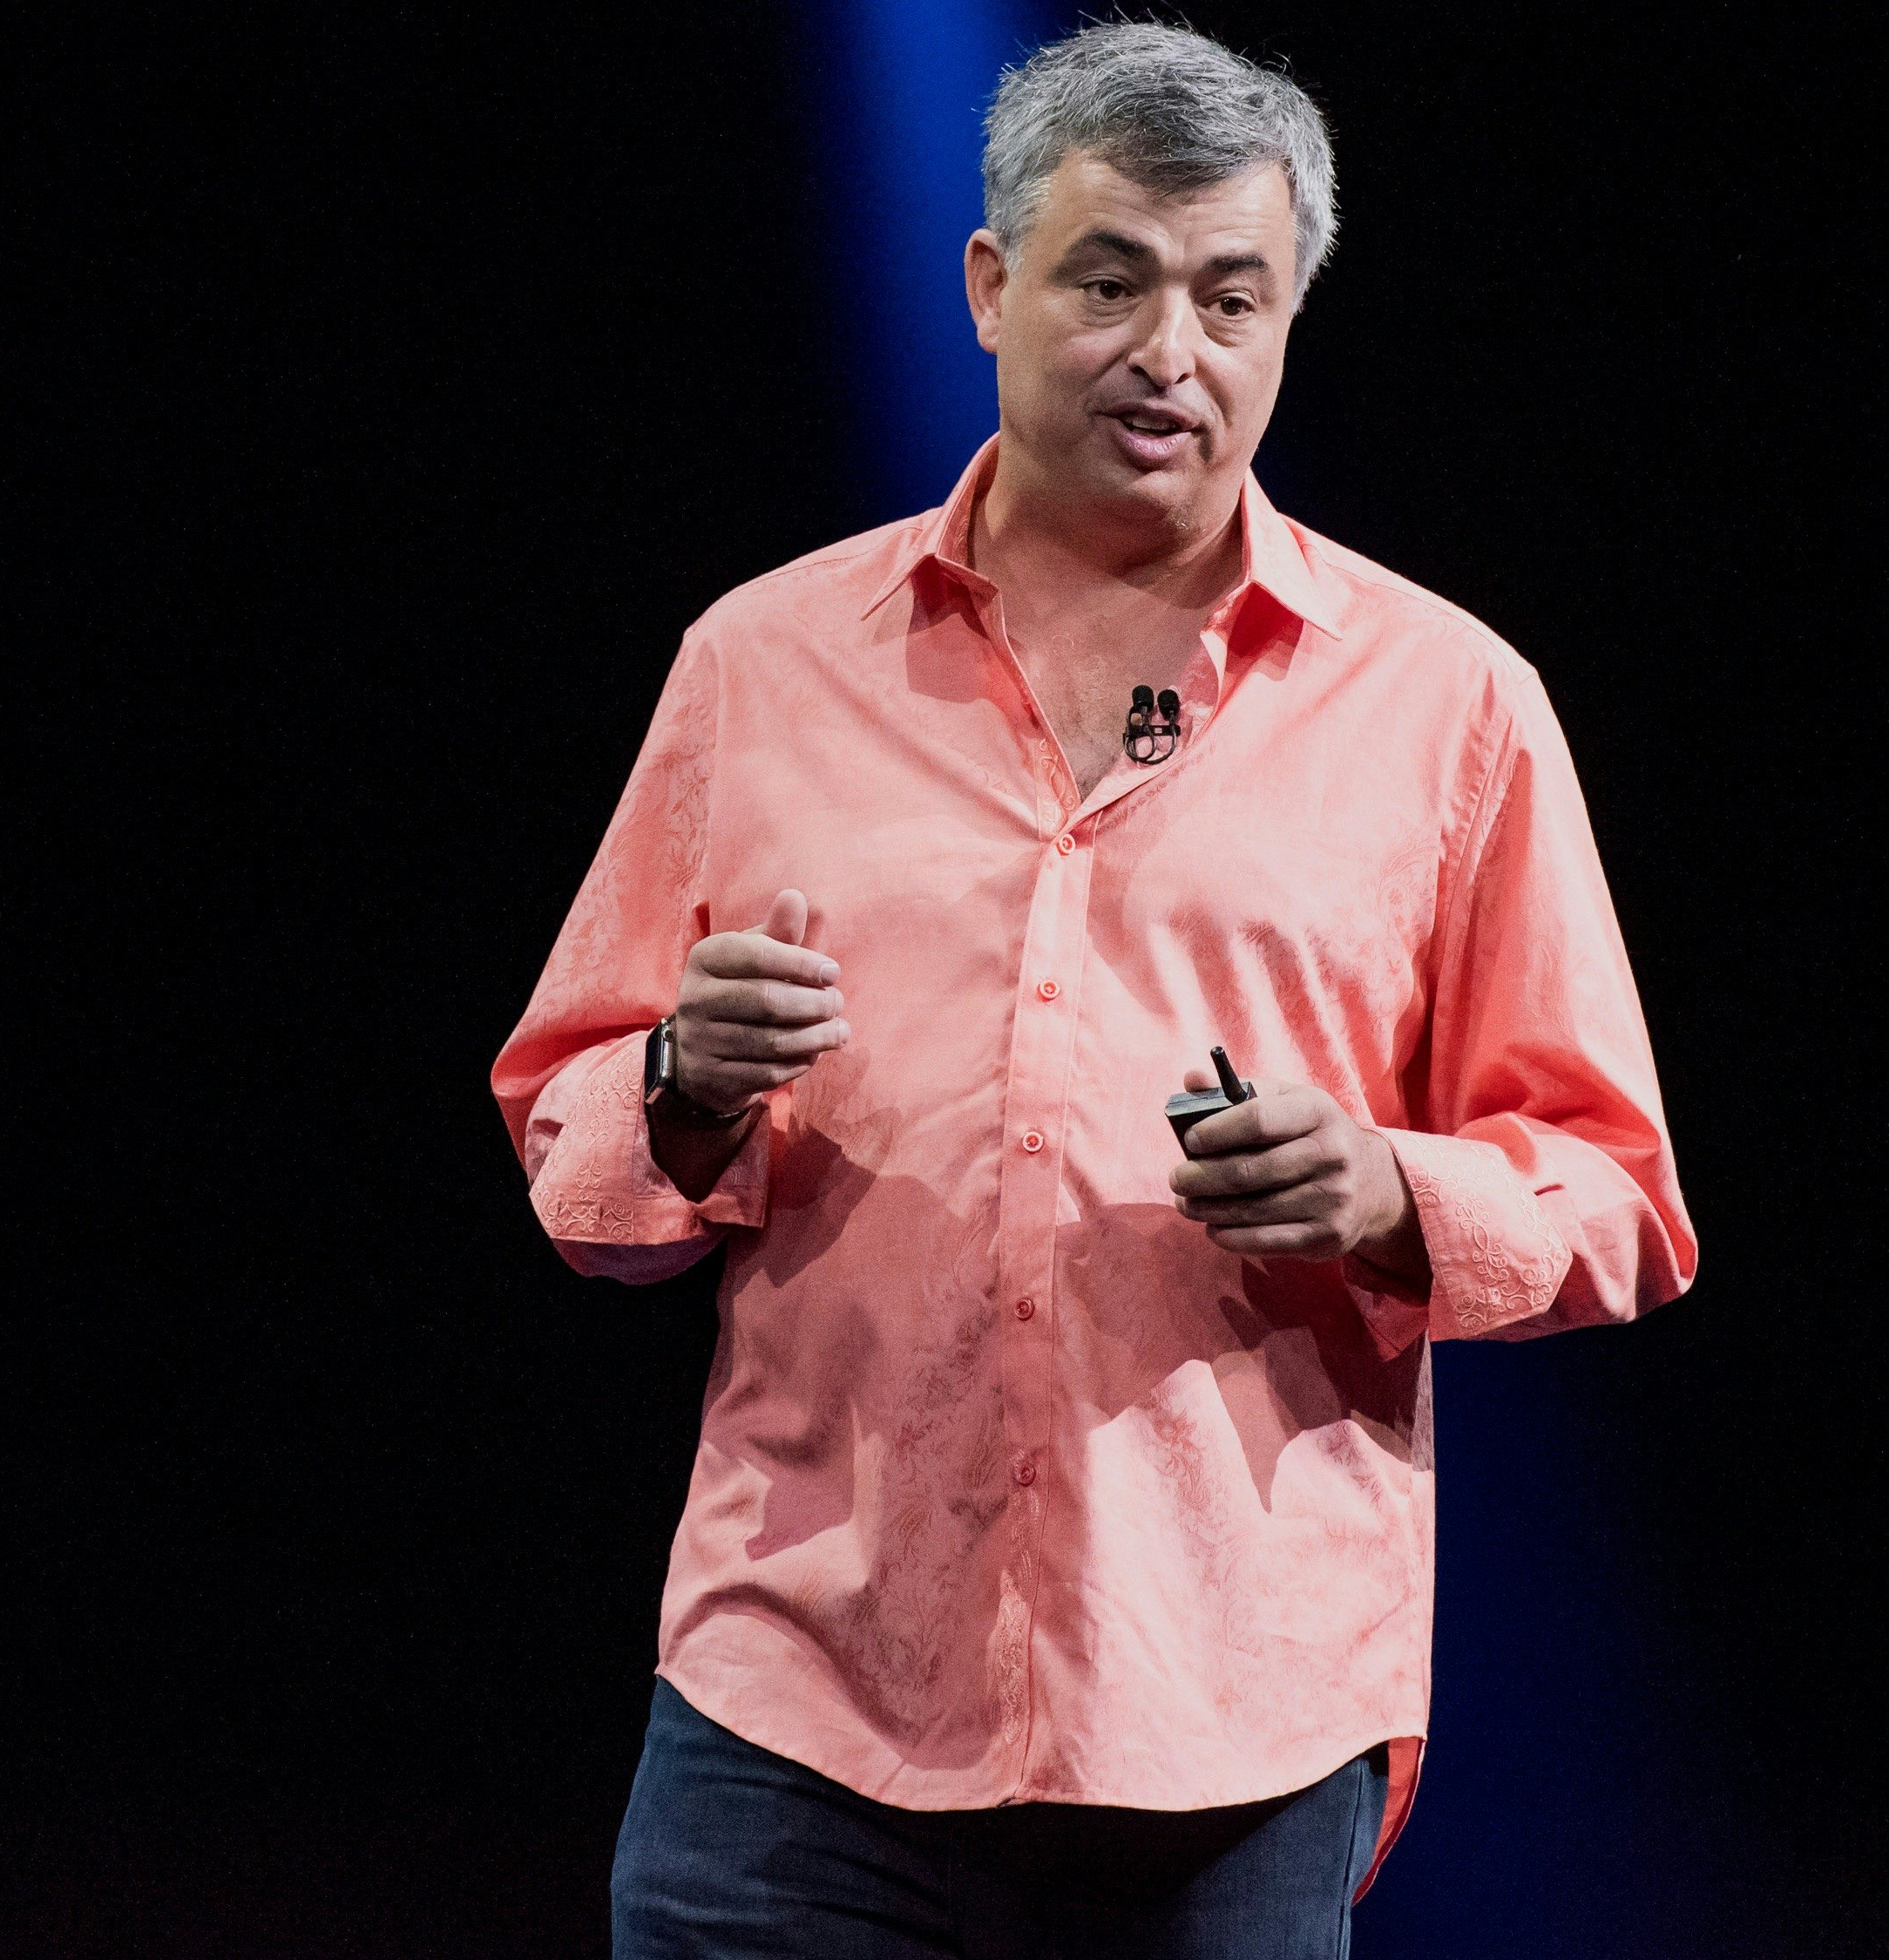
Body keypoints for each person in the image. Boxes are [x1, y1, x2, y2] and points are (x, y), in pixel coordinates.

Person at [490, 22, 1696, 1957]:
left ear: (1287, 321)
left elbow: (1616, 1197)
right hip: (796, 1709)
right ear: (989, 286)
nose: (1169, 353)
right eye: (1109, 280)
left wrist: (1390, 1192)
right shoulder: (763, 664)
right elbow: (573, 1158)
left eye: (1230, 298)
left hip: (1227, 1715)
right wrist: (681, 1086)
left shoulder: (1451, 706)